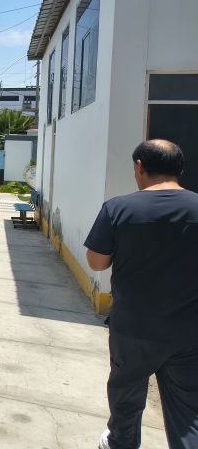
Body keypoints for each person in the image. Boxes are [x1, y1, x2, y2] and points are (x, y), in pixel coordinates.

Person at [85, 140, 198, 449]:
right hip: (189, 330)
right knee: (189, 411)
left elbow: (96, 262)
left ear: (139, 166)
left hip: (134, 327)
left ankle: (122, 442)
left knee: (126, 396)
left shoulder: (118, 208)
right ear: (179, 168)